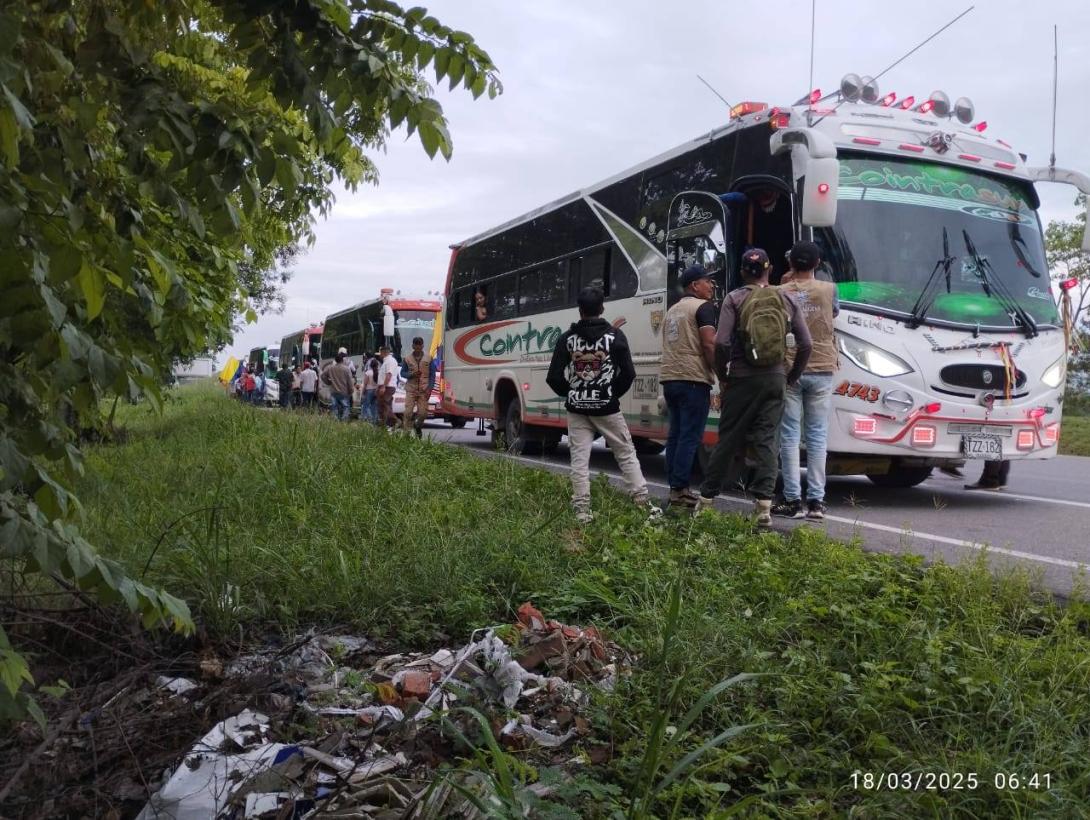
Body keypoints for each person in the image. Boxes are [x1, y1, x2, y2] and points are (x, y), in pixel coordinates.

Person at [696, 248, 812, 527]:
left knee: (729, 438)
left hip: (741, 377)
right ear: (769, 270)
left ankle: (707, 500)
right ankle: (763, 508)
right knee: (767, 440)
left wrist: (723, 373)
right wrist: (791, 375)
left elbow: (722, 342)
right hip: (775, 378)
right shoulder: (785, 297)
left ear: (742, 272)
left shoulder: (734, 298)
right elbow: (806, 343)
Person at [546, 286, 661, 525]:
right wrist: (610, 394)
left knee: (579, 459)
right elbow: (628, 373)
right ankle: (642, 504)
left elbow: (554, 377)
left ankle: (582, 511)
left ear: (580, 310)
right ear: (601, 308)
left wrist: (572, 393)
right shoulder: (615, 336)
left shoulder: (567, 339)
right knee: (626, 453)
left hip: (577, 408)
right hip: (606, 407)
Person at [773, 241, 840, 521]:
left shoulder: (779, 291)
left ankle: (791, 499)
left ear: (791, 264)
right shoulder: (829, 289)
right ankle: (816, 501)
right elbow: (833, 313)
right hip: (823, 366)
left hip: (790, 367)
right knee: (817, 437)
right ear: (817, 263)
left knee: (789, 436)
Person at [660, 264, 718, 508]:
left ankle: (674, 488)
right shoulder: (703, 308)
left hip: (670, 378)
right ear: (695, 285)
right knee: (689, 436)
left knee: (674, 435)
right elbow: (708, 344)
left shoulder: (672, 310)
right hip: (693, 379)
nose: (712, 285)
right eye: (708, 281)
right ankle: (681, 489)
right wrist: (719, 372)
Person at [401, 336, 435, 437]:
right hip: (411, 389)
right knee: (408, 412)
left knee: (423, 413)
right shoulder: (407, 359)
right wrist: (411, 375)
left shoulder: (429, 358)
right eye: (416, 345)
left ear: (423, 346)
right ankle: (406, 434)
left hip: (424, 390)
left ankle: (418, 426)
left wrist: (430, 388)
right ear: (413, 346)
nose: (418, 347)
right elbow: (402, 372)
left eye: (420, 345)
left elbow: (432, 374)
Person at [322, 351, 354, 421]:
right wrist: (351, 390)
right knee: (345, 406)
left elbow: (323, 375)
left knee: (334, 406)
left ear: (335, 360)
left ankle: (335, 420)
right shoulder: (346, 369)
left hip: (333, 391)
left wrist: (328, 382)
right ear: (342, 360)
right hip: (344, 391)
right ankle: (344, 420)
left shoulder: (330, 368)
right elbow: (349, 381)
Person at [376, 344, 399, 428]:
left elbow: (389, 374)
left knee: (384, 404)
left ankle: (395, 421)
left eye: (380, 353)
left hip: (387, 386)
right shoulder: (387, 361)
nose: (380, 355)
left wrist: (383, 386)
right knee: (385, 405)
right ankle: (387, 423)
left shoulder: (390, 361)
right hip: (386, 386)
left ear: (383, 352)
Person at [359, 352, 379, 423]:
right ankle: (375, 419)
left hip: (369, 390)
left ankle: (369, 418)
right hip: (376, 390)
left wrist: (363, 392)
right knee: (374, 405)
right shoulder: (378, 372)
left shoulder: (368, 372)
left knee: (366, 405)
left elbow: (365, 383)